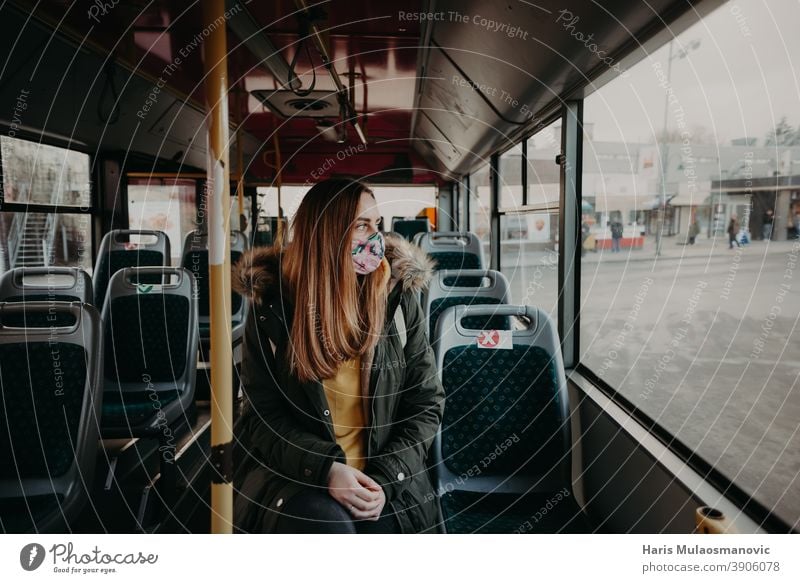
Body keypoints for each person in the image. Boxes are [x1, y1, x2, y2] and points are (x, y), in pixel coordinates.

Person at [231, 179, 444, 534]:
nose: (375, 238)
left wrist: (387, 479)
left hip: (386, 473)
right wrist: (326, 469)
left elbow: (425, 403)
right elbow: (260, 418)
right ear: (326, 233)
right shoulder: (274, 308)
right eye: (362, 225)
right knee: (326, 526)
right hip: (298, 475)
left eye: (377, 225)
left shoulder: (398, 301)